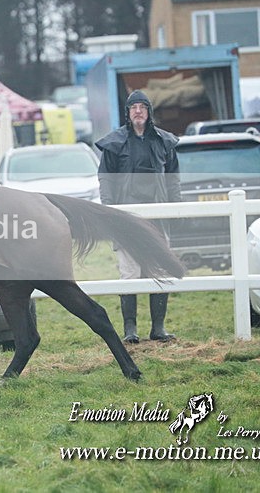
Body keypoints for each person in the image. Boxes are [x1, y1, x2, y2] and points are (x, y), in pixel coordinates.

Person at [96, 89, 181, 344]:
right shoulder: (114, 143)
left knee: (159, 270)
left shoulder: (164, 142)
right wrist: (109, 211)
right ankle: (130, 329)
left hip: (157, 219)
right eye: (134, 107)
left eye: (143, 107)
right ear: (128, 112)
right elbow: (105, 181)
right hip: (126, 220)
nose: (138, 111)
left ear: (149, 112)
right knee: (130, 274)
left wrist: (176, 208)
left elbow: (173, 178)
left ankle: (158, 328)